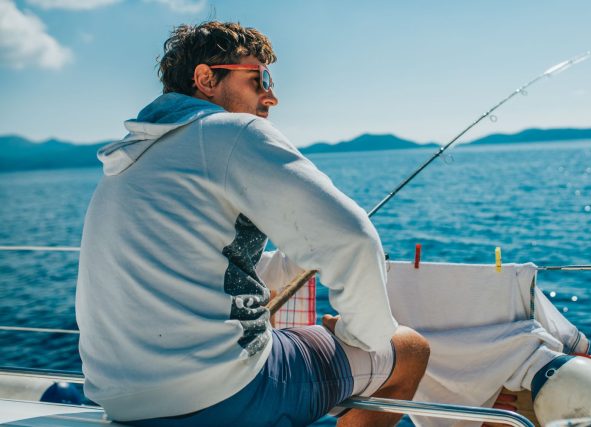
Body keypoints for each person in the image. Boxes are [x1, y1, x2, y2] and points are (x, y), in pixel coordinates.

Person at [75, 21, 430, 426]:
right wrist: (361, 336)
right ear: (206, 78)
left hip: (123, 403)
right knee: (409, 348)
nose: (272, 96)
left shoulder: (128, 160)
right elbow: (352, 237)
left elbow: (191, 260)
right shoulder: (228, 131)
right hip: (221, 395)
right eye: (259, 79)